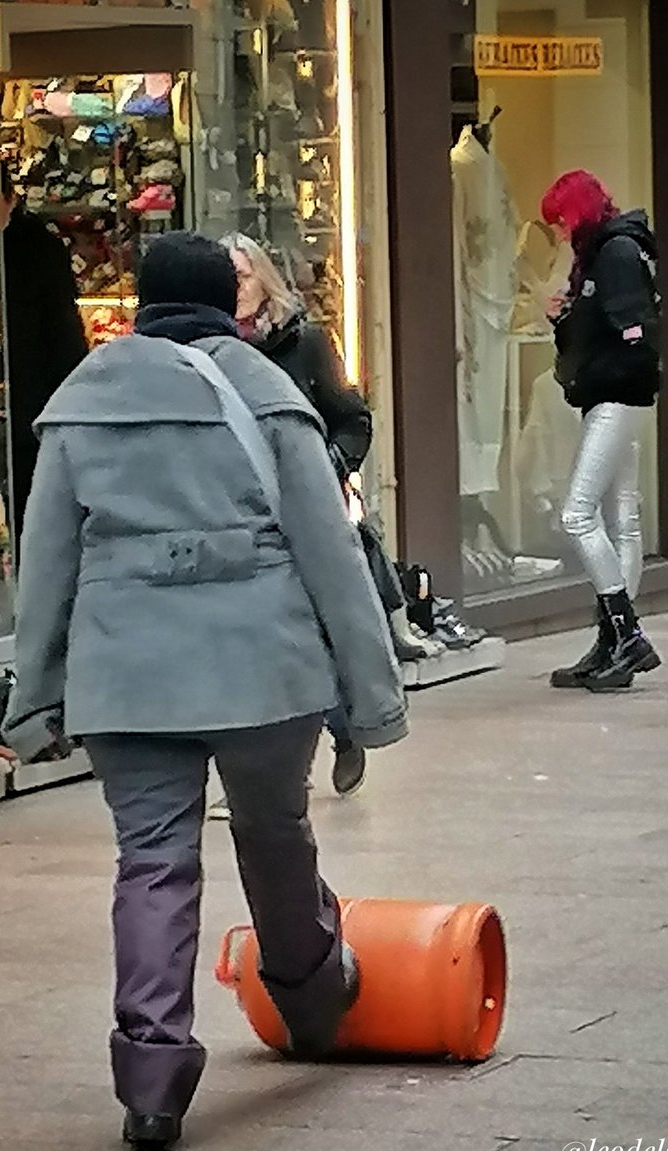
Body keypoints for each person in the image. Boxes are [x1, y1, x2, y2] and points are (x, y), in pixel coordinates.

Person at [1, 231, 407, 1151]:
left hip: (127, 672)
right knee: (273, 831)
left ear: (140, 303)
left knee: (151, 862)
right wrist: (372, 693)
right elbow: (330, 553)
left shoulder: (82, 403)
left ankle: (152, 1083)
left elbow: (47, 565)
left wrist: (35, 696)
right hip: (262, 667)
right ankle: (309, 996)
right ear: (231, 300)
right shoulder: (267, 395)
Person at [220, 231, 408, 797]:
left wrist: (329, 465)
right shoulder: (206, 353)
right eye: (226, 278)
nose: (236, 289)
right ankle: (253, 774)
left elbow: (353, 417)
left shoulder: (305, 343)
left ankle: (342, 729)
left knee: (308, 633)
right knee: (246, 640)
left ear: (265, 280)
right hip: (235, 515)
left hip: (302, 510)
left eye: (244, 276)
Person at [541, 169, 662, 691]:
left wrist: (598, 364)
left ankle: (625, 633)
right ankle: (614, 640)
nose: (560, 233)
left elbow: (632, 332)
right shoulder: (605, 254)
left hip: (615, 396)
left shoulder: (613, 255)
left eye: (562, 222)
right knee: (621, 515)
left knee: (578, 513)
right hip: (614, 395)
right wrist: (565, 316)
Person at [0, 161, 88, 561]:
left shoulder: (37, 247)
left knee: (30, 496)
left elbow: (60, 328)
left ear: (10, 199)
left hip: (30, 390)